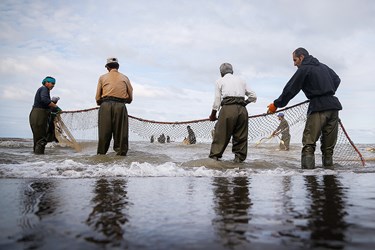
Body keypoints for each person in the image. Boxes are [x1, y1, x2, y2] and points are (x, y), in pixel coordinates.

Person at [267, 48, 342, 169]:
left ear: (301, 57)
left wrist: (276, 104)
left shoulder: (304, 68)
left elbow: (291, 89)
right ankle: (329, 176)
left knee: (309, 144)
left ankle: (309, 177)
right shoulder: (324, 67)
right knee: (328, 148)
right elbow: (337, 79)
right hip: (333, 108)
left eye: (295, 60)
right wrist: (325, 91)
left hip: (318, 107)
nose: (294, 63)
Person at [209, 63, 257, 162]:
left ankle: (214, 160)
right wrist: (245, 103)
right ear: (232, 71)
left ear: (221, 73)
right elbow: (253, 96)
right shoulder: (241, 80)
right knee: (241, 137)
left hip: (228, 109)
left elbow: (217, 100)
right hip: (242, 111)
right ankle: (238, 162)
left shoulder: (219, 81)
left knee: (221, 135)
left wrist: (213, 115)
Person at [95, 57, 133, 155]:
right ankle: (121, 158)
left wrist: (102, 103)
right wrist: (124, 101)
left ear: (107, 67)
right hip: (120, 106)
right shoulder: (125, 78)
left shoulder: (102, 77)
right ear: (118, 67)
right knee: (121, 135)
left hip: (105, 105)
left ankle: (101, 156)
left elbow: (97, 97)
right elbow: (130, 96)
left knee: (104, 134)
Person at [29, 76, 62, 154]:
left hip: (36, 114)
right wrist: (56, 107)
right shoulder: (44, 89)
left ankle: (36, 159)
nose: (53, 85)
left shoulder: (42, 89)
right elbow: (45, 100)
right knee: (41, 140)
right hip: (39, 115)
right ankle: (40, 160)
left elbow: (45, 102)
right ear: (46, 82)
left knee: (37, 139)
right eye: (52, 83)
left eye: (54, 84)